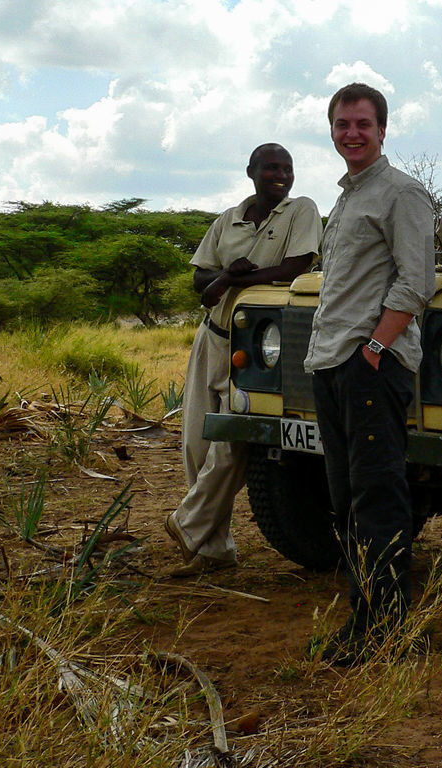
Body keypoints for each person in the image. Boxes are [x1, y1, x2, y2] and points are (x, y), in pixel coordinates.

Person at [304, 82, 436, 665]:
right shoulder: (346, 198)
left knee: (377, 496)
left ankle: (386, 630)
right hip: (331, 363)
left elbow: (416, 282)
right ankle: (365, 619)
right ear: (332, 131)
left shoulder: (401, 193)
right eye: (342, 125)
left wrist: (375, 350)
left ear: (383, 130)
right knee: (344, 499)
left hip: (368, 366)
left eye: (362, 124)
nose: (351, 134)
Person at [166, 143, 322, 577]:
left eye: (287, 168)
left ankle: (188, 523)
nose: (281, 175)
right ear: (251, 171)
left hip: (260, 345)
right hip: (213, 336)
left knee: (234, 440)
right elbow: (200, 274)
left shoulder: (300, 211)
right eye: (271, 167)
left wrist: (234, 278)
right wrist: (222, 277)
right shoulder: (227, 220)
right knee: (197, 442)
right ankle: (214, 549)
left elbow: (296, 268)